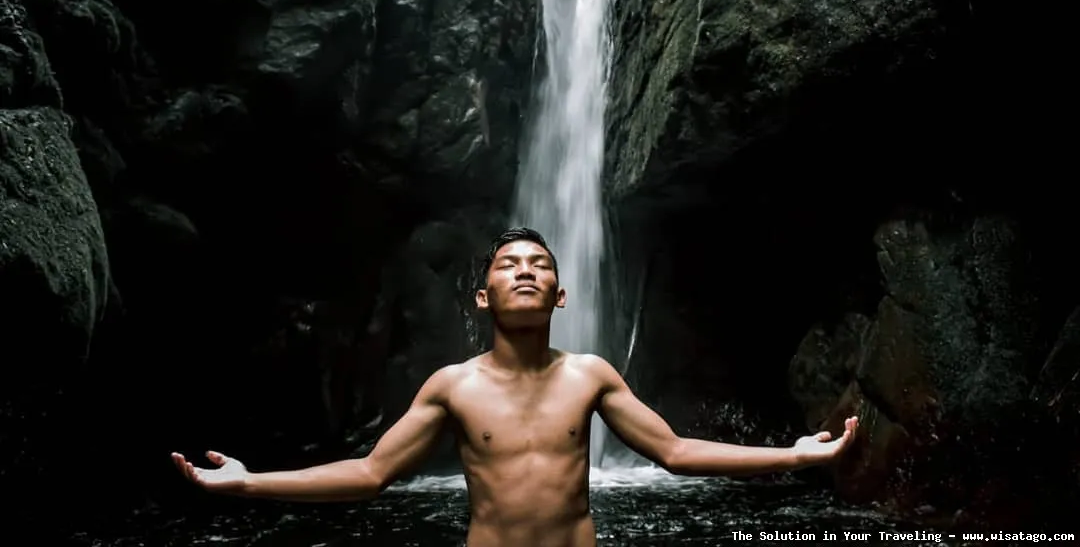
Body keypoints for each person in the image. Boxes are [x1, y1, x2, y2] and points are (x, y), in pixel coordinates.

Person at [173, 227, 858, 547]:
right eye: (509, 265)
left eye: (540, 265)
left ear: (560, 295)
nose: (525, 272)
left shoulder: (591, 374)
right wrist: (248, 482)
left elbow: (675, 452)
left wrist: (794, 456)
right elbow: (370, 472)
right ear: (481, 296)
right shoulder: (452, 386)